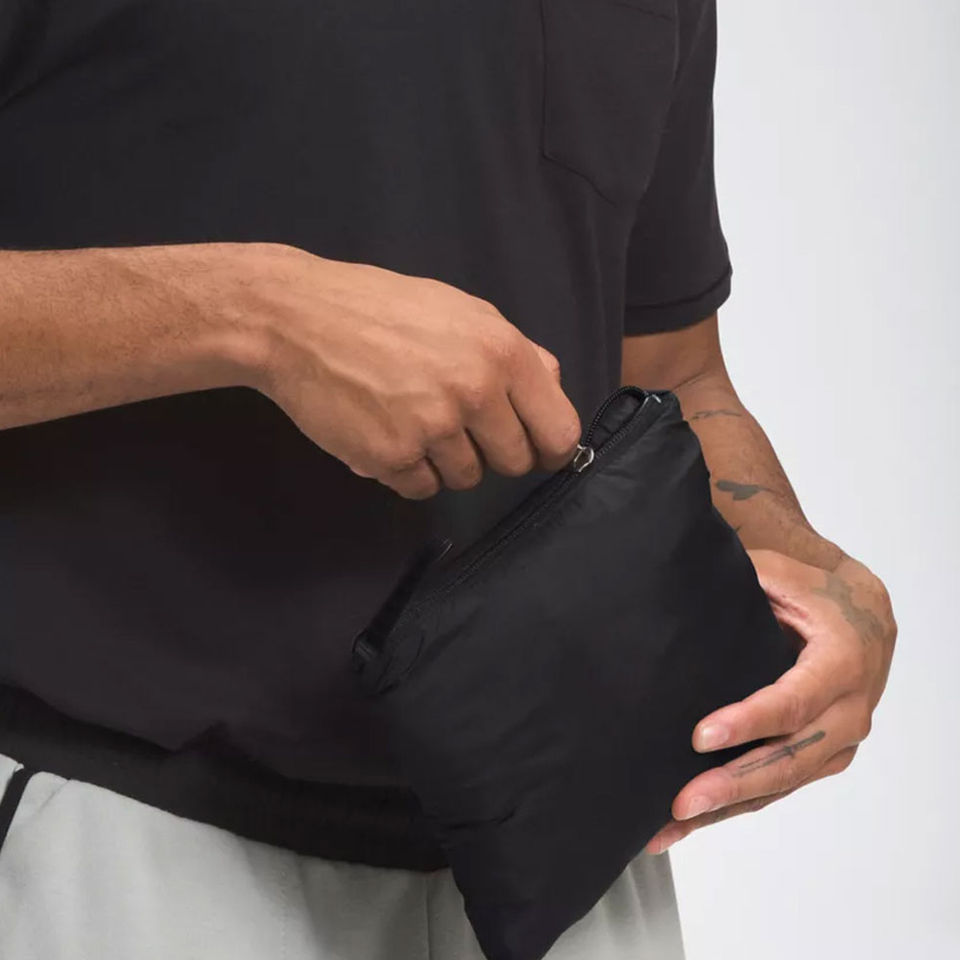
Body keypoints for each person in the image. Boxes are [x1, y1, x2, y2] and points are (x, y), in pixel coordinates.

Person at [0, 1, 896, 958]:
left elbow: (676, 371)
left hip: (577, 873)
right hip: (125, 843)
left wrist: (808, 580)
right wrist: (254, 316)